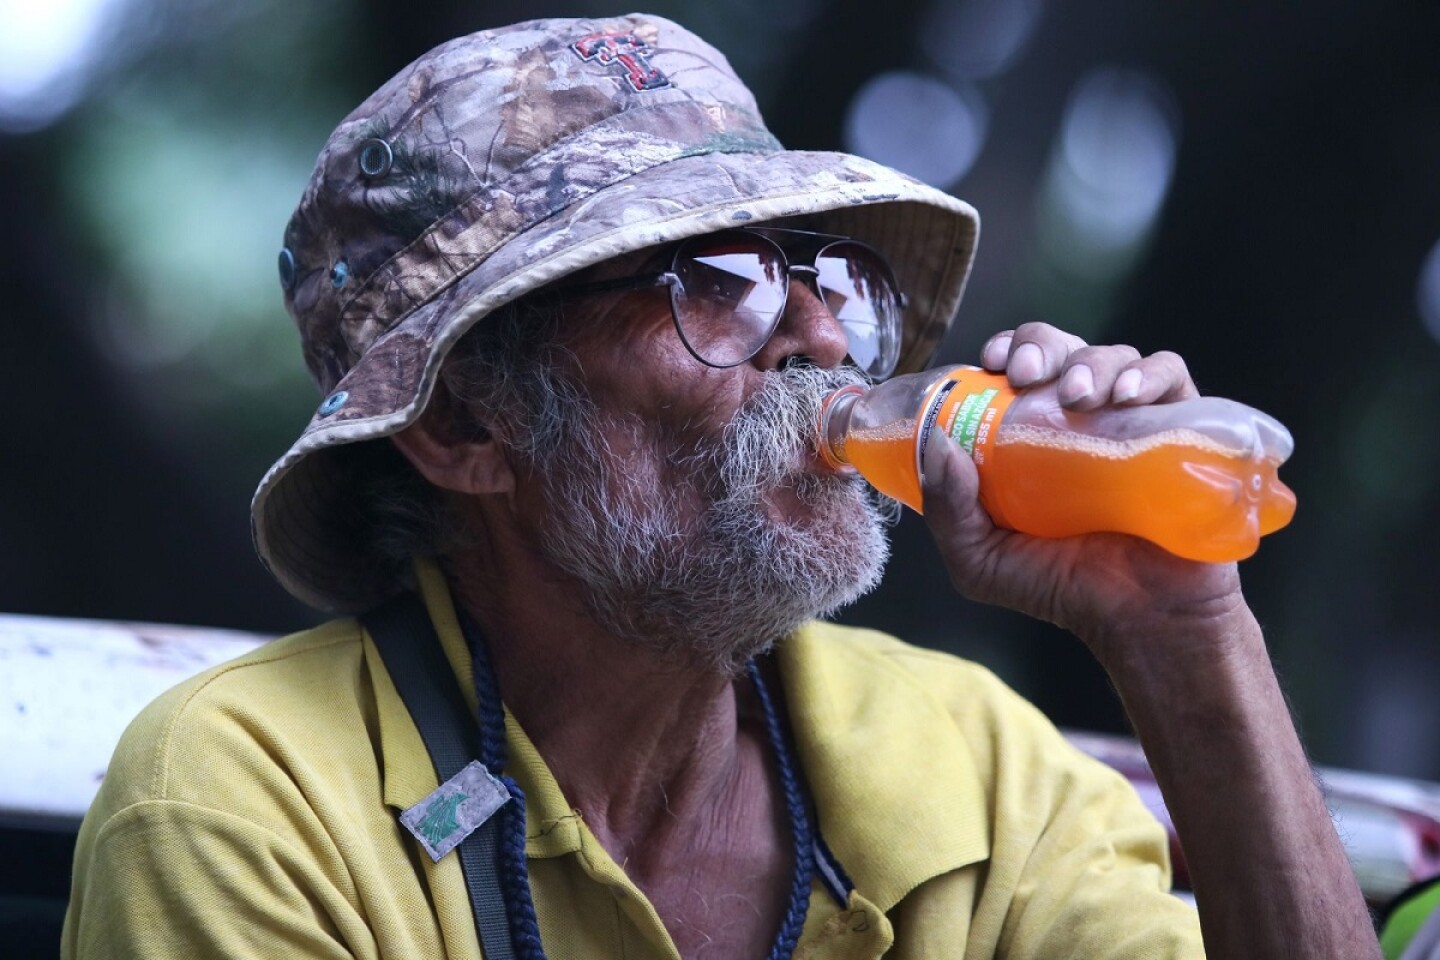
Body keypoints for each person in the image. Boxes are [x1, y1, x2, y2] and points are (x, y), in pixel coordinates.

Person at [62, 13, 1377, 960]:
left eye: (821, 273)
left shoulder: (972, 768)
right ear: (464, 424)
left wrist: (1183, 634)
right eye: (716, 284)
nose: (816, 335)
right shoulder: (251, 801)